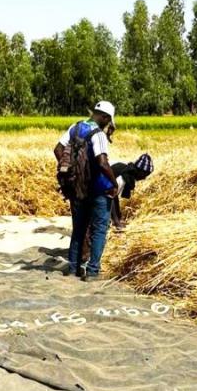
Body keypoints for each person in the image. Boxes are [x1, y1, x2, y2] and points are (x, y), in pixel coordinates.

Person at [54, 101, 119, 282]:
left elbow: (58, 149)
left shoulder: (75, 128)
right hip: (97, 189)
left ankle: (73, 268)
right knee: (99, 229)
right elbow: (102, 162)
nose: (108, 124)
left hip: (77, 188)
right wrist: (113, 183)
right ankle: (92, 271)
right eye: (108, 120)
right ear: (105, 117)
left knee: (79, 229)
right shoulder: (98, 135)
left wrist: (73, 171)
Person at [110, 153, 154, 229]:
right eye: (144, 175)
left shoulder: (127, 171)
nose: (144, 178)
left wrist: (119, 217)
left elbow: (115, 196)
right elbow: (110, 198)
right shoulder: (122, 178)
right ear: (139, 171)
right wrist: (117, 222)